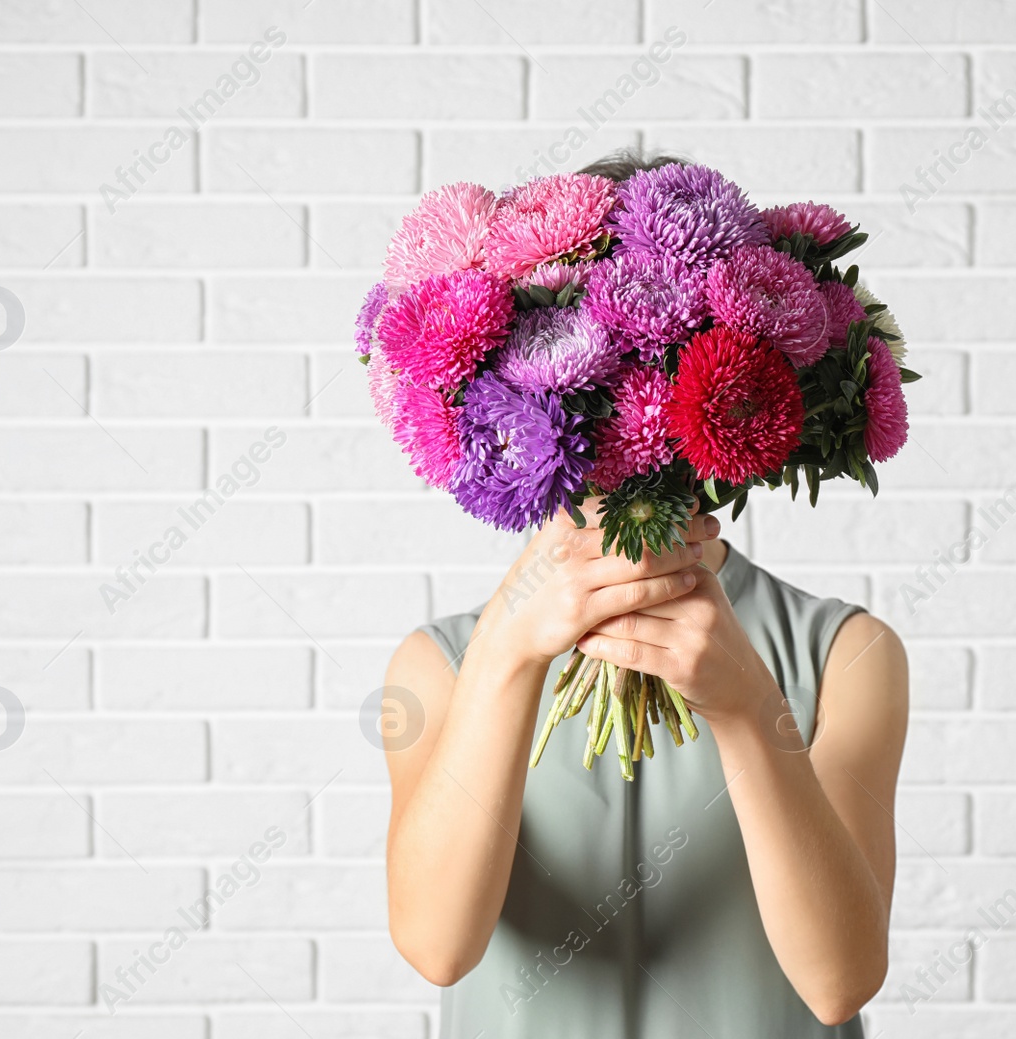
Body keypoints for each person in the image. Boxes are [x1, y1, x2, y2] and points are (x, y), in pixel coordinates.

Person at [380, 156, 909, 1039]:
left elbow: (841, 979)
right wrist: (509, 653)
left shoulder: (844, 655)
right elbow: (437, 945)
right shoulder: (440, 666)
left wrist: (745, 702)